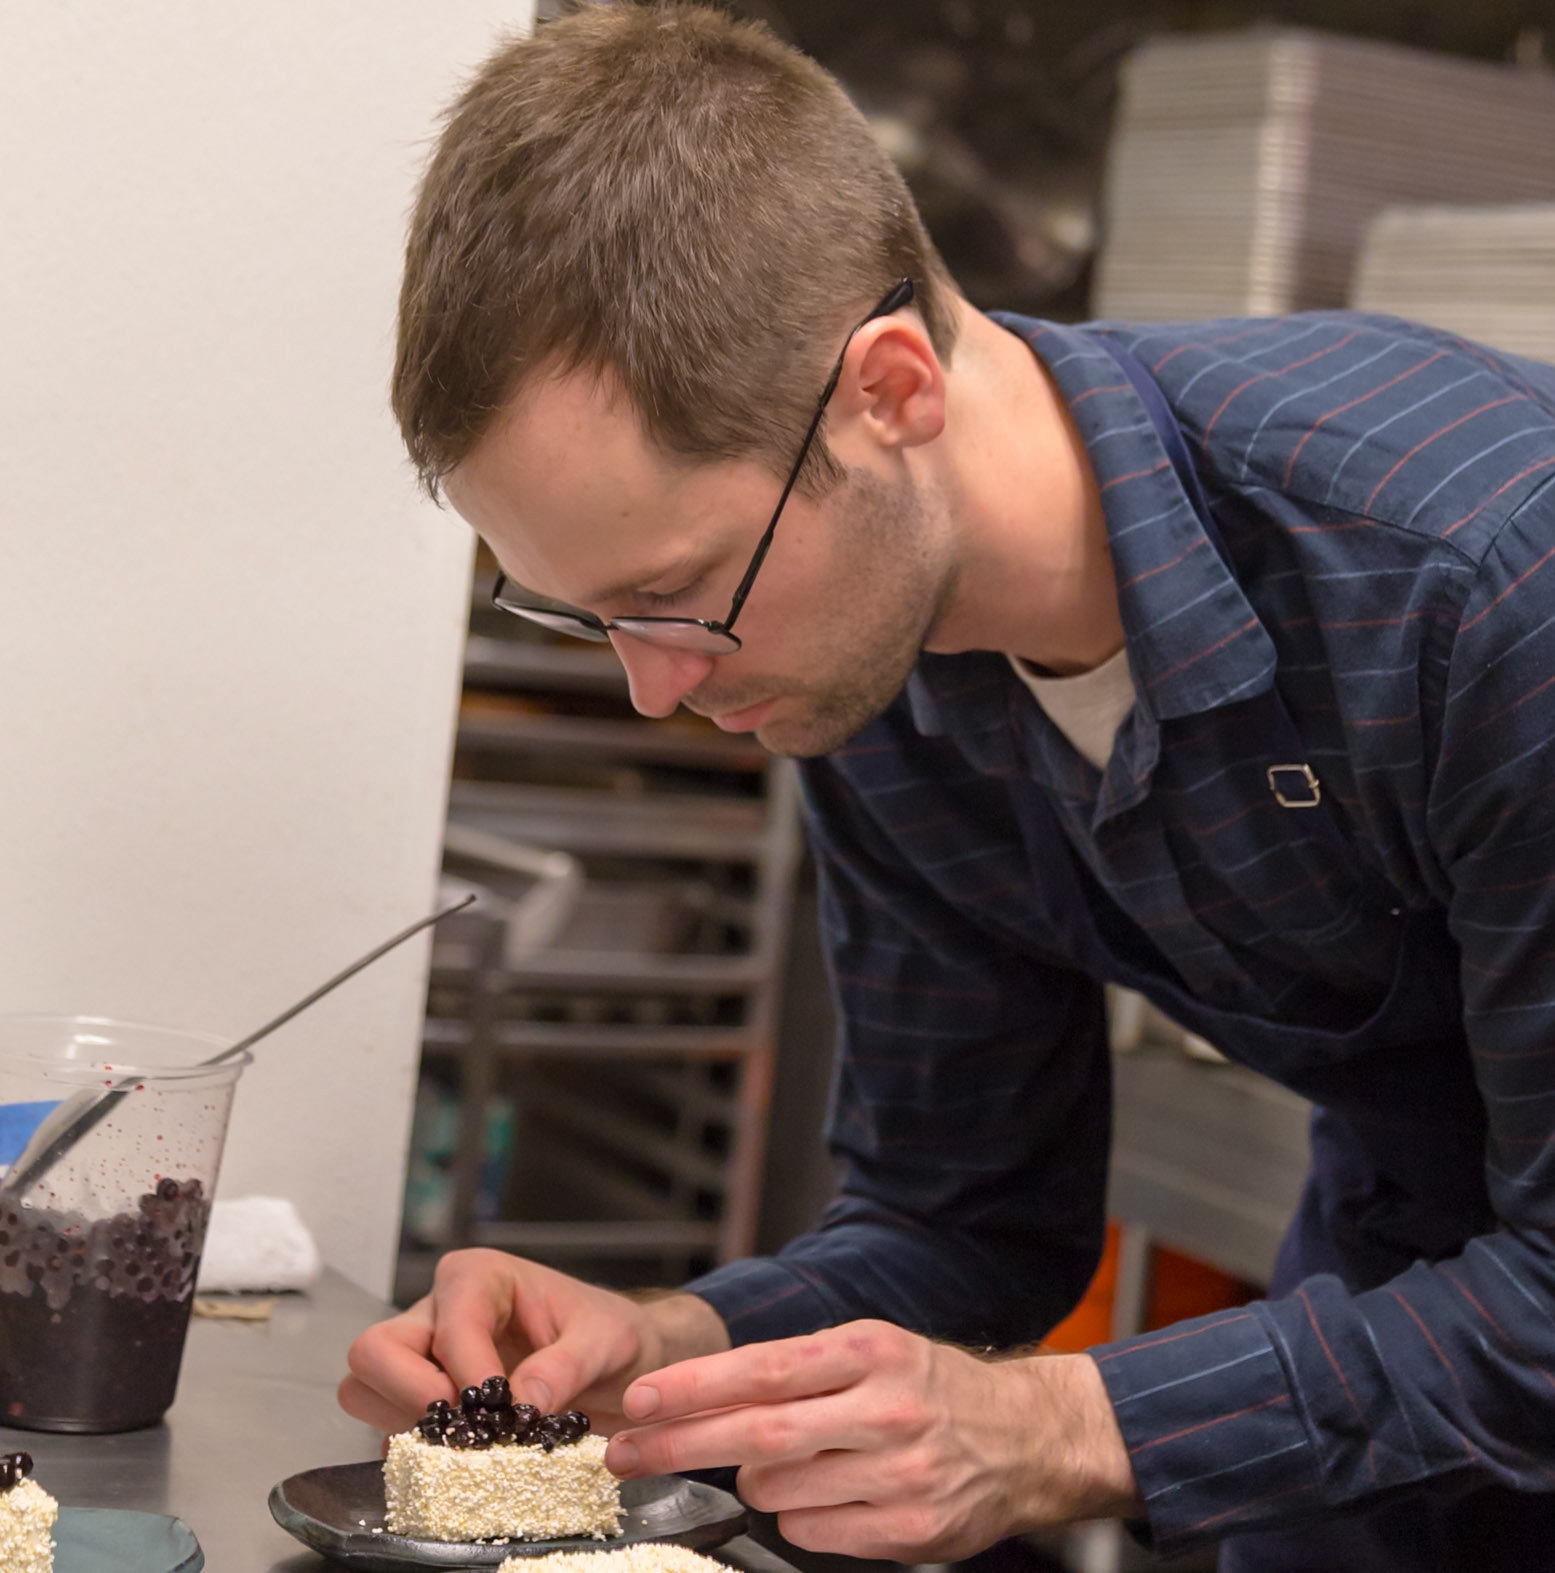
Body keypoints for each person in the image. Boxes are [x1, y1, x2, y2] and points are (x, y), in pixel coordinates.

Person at [341, 6, 1555, 1569]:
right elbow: (966, 1217)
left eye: (681, 590)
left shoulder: (1484, 583)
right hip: (1422, 1276)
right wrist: (660, 1340)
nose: (660, 685)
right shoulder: (872, 666)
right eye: (590, 618)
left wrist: (1062, 1424)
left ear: (892, 389)